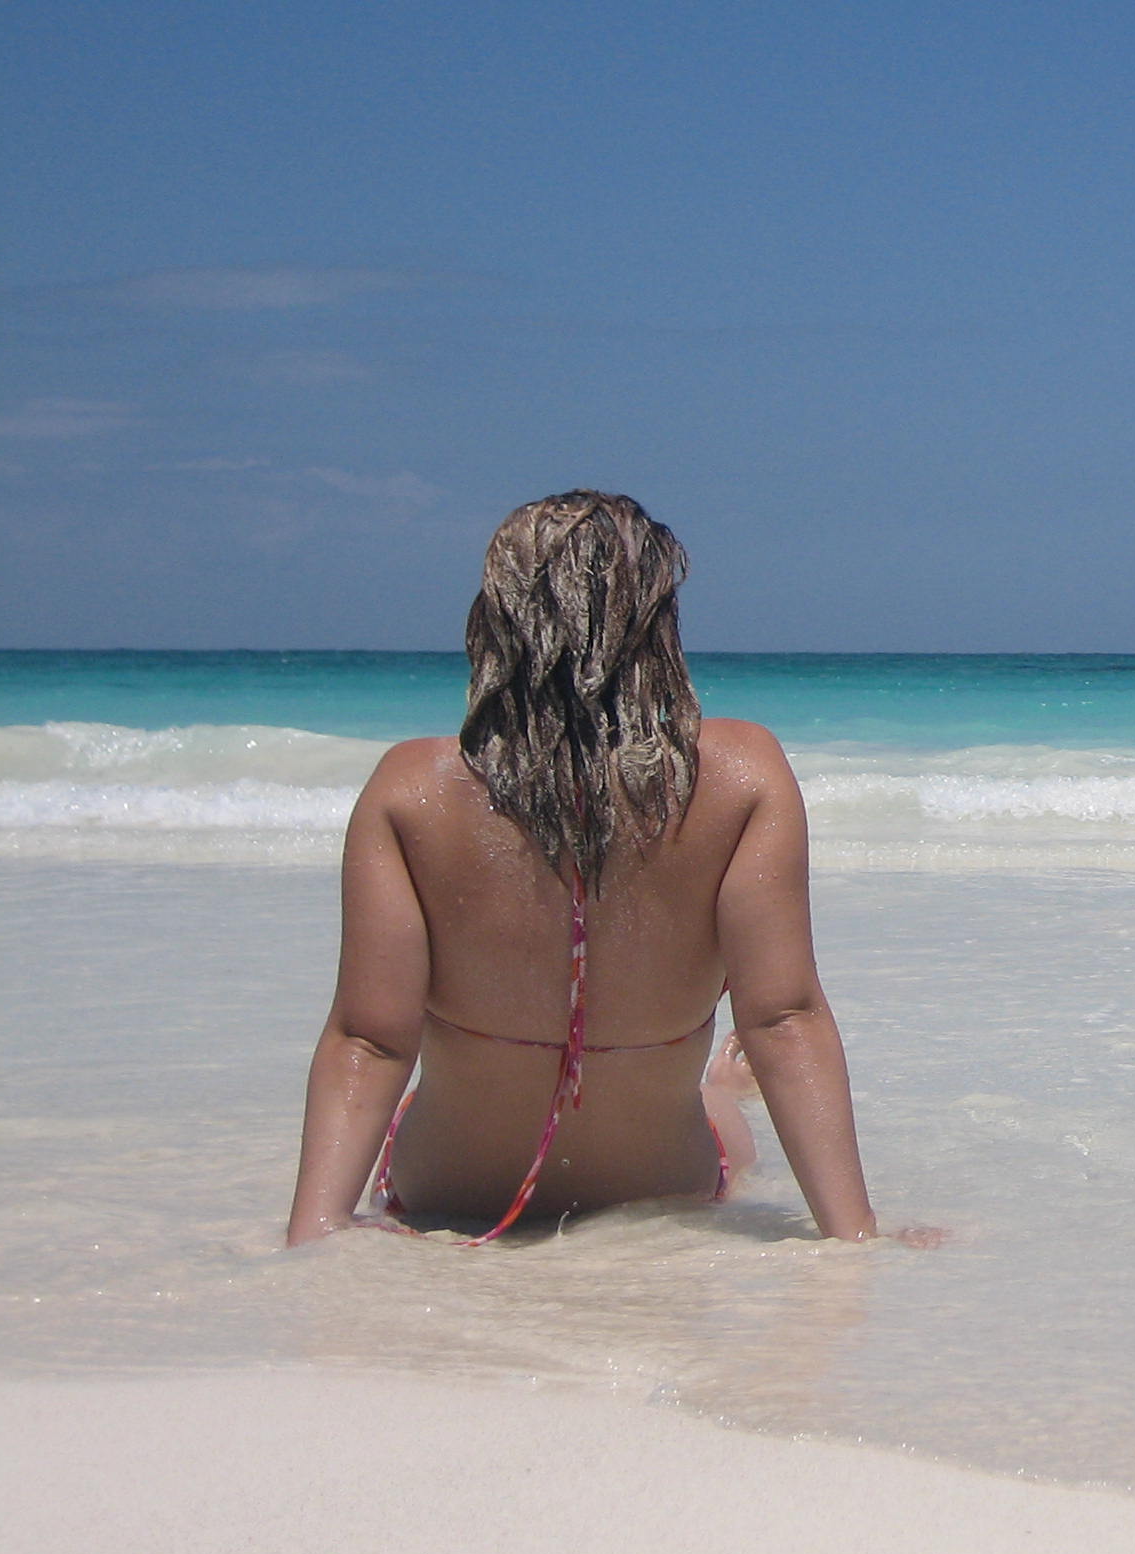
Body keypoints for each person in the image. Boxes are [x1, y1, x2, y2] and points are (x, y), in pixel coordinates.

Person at [287, 491, 909, 1244]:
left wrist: (314, 1232)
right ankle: (723, 1087)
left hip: (445, 1189)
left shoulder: (412, 789)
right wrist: (855, 1235)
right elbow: (782, 1019)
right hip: (665, 1181)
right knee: (723, 1115)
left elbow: (369, 1040)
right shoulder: (743, 777)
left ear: (495, 619)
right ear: (658, 624)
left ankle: (719, 1086)